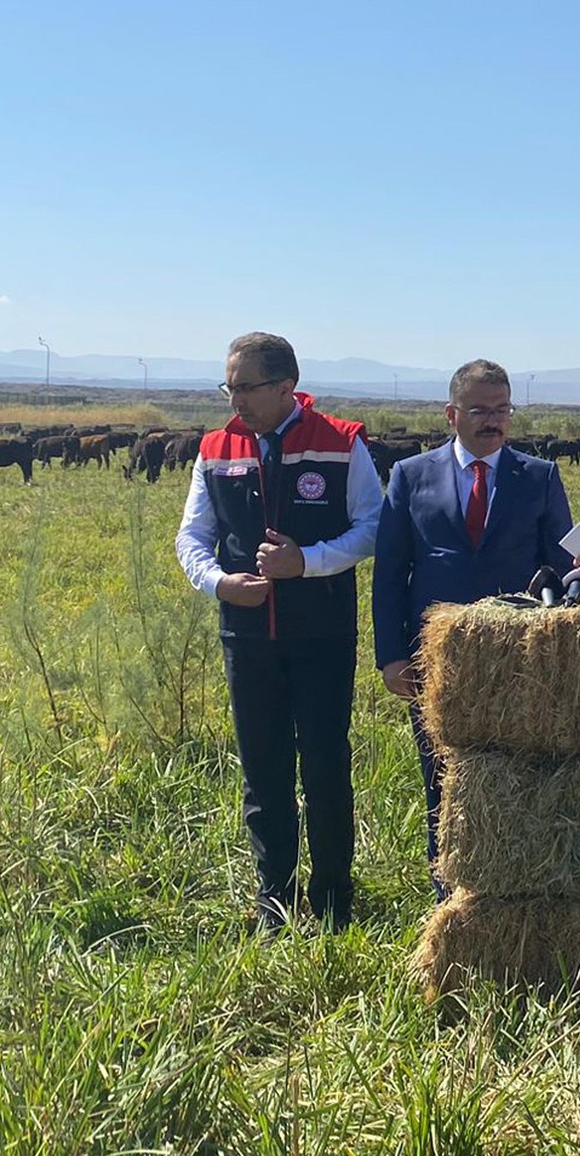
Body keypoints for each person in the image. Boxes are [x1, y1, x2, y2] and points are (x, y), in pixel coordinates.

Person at [176, 332, 382, 932]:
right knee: (262, 769)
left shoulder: (342, 442)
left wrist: (308, 561)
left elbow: (372, 526)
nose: (233, 399)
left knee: (324, 765)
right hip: (246, 634)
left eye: (245, 387)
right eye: (229, 386)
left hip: (321, 631)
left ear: (286, 386)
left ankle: (333, 896)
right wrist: (217, 582)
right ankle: (275, 897)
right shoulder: (216, 447)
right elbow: (191, 535)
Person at [371, 359, 573, 893]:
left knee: (520, 775)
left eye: (502, 409)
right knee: (442, 777)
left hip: (519, 655)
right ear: (451, 414)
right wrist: (391, 654)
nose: (493, 420)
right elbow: (390, 571)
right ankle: (449, 892)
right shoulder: (410, 476)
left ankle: (513, 889)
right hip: (436, 660)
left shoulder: (540, 477)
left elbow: (561, 569)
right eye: (480, 410)